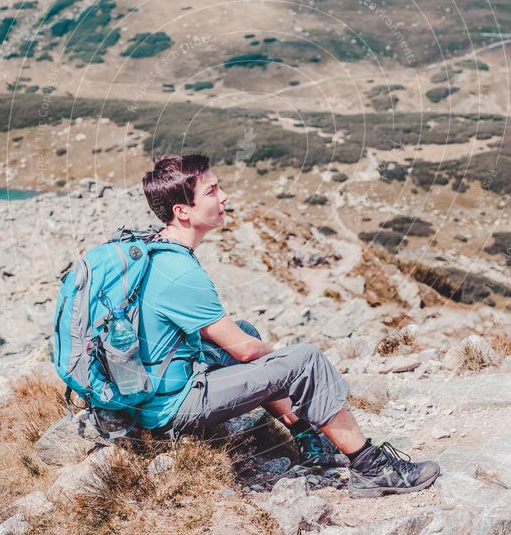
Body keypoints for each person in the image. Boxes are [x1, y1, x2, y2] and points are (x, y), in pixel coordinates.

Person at [131, 153, 440, 498]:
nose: (224, 197)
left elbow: (230, 338)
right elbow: (245, 352)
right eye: (212, 191)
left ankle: (307, 435)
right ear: (182, 211)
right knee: (304, 359)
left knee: (245, 329)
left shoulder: (154, 249)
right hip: (171, 406)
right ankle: (371, 468)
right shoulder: (180, 273)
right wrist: (285, 365)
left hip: (152, 390)